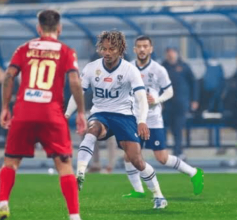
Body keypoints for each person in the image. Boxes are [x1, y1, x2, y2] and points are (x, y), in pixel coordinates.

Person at [0, 10, 87, 220]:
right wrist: (80, 112)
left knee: (10, 163)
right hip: (52, 115)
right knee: (64, 167)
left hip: (24, 112)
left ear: (38, 28)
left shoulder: (24, 49)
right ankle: (74, 216)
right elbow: (74, 82)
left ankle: (3, 204)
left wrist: (5, 107)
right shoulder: (66, 51)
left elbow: (8, 77)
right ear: (59, 29)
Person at [65, 30, 167, 209]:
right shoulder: (91, 68)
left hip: (124, 116)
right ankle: (80, 172)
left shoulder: (130, 70)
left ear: (120, 49)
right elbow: (78, 93)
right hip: (101, 113)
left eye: (111, 49)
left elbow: (141, 98)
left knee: (137, 160)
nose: (107, 52)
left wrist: (142, 120)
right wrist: (66, 115)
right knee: (92, 129)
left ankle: (158, 195)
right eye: (104, 48)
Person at [122, 35, 204, 198]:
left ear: (151, 49)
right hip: (134, 118)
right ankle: (138, 190)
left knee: (162, 158)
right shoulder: (128, 68)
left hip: (153, 119)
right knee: (129, 154)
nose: (142, 49)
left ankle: (194, 173)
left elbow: (169, 91)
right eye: (139, 46)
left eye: (146, 46)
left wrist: (157, 100)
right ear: (135, 49)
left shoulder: (159, 69)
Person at [162, 47, 199, 158]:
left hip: (181, 103)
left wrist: (194, 100)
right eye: (168, 53)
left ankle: (178, 151)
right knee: (163, 128)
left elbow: (194, 84)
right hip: (166, 103)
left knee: (178, 128)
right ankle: (162, 152)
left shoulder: (184, 66)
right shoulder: (162, 67)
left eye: (172, 53)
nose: (171, 55)